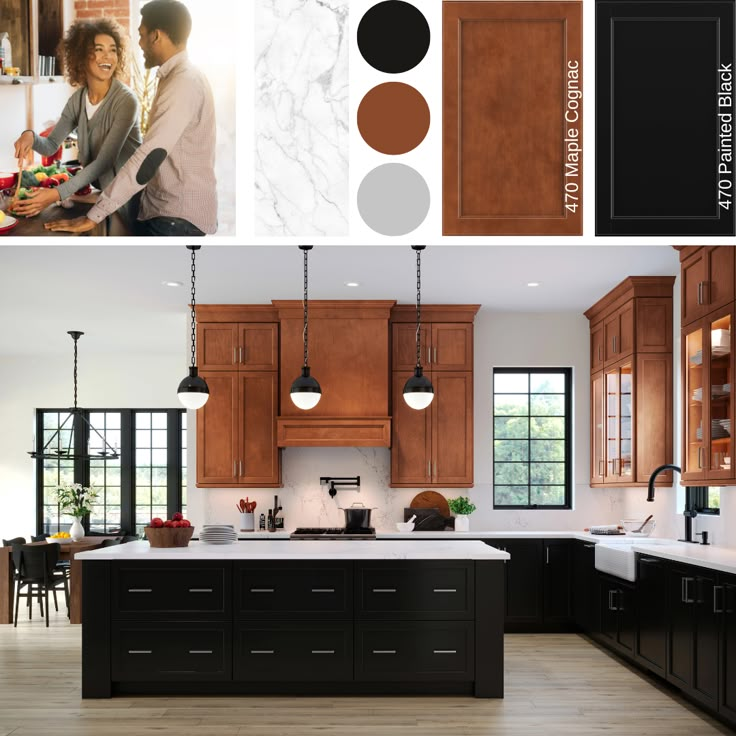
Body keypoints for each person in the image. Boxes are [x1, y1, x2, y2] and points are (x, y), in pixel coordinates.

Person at [46, 0, 218, 236]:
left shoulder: (182, 83)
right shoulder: (178, 78)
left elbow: (149, 157)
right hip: (169, 215)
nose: (140, 43)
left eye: (142, 34)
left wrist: (93, 215)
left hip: (175, 219)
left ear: (156, 36)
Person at [12, 19, 141, 226]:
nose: (108, 56)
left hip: (129, 199)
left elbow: (104, 162)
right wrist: (30, 136)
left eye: (113, 50)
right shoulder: (78, 100)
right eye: (98, 49)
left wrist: (56, 194)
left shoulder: (126, 100)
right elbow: (51, 145)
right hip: (103, 198)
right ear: (81, 56)